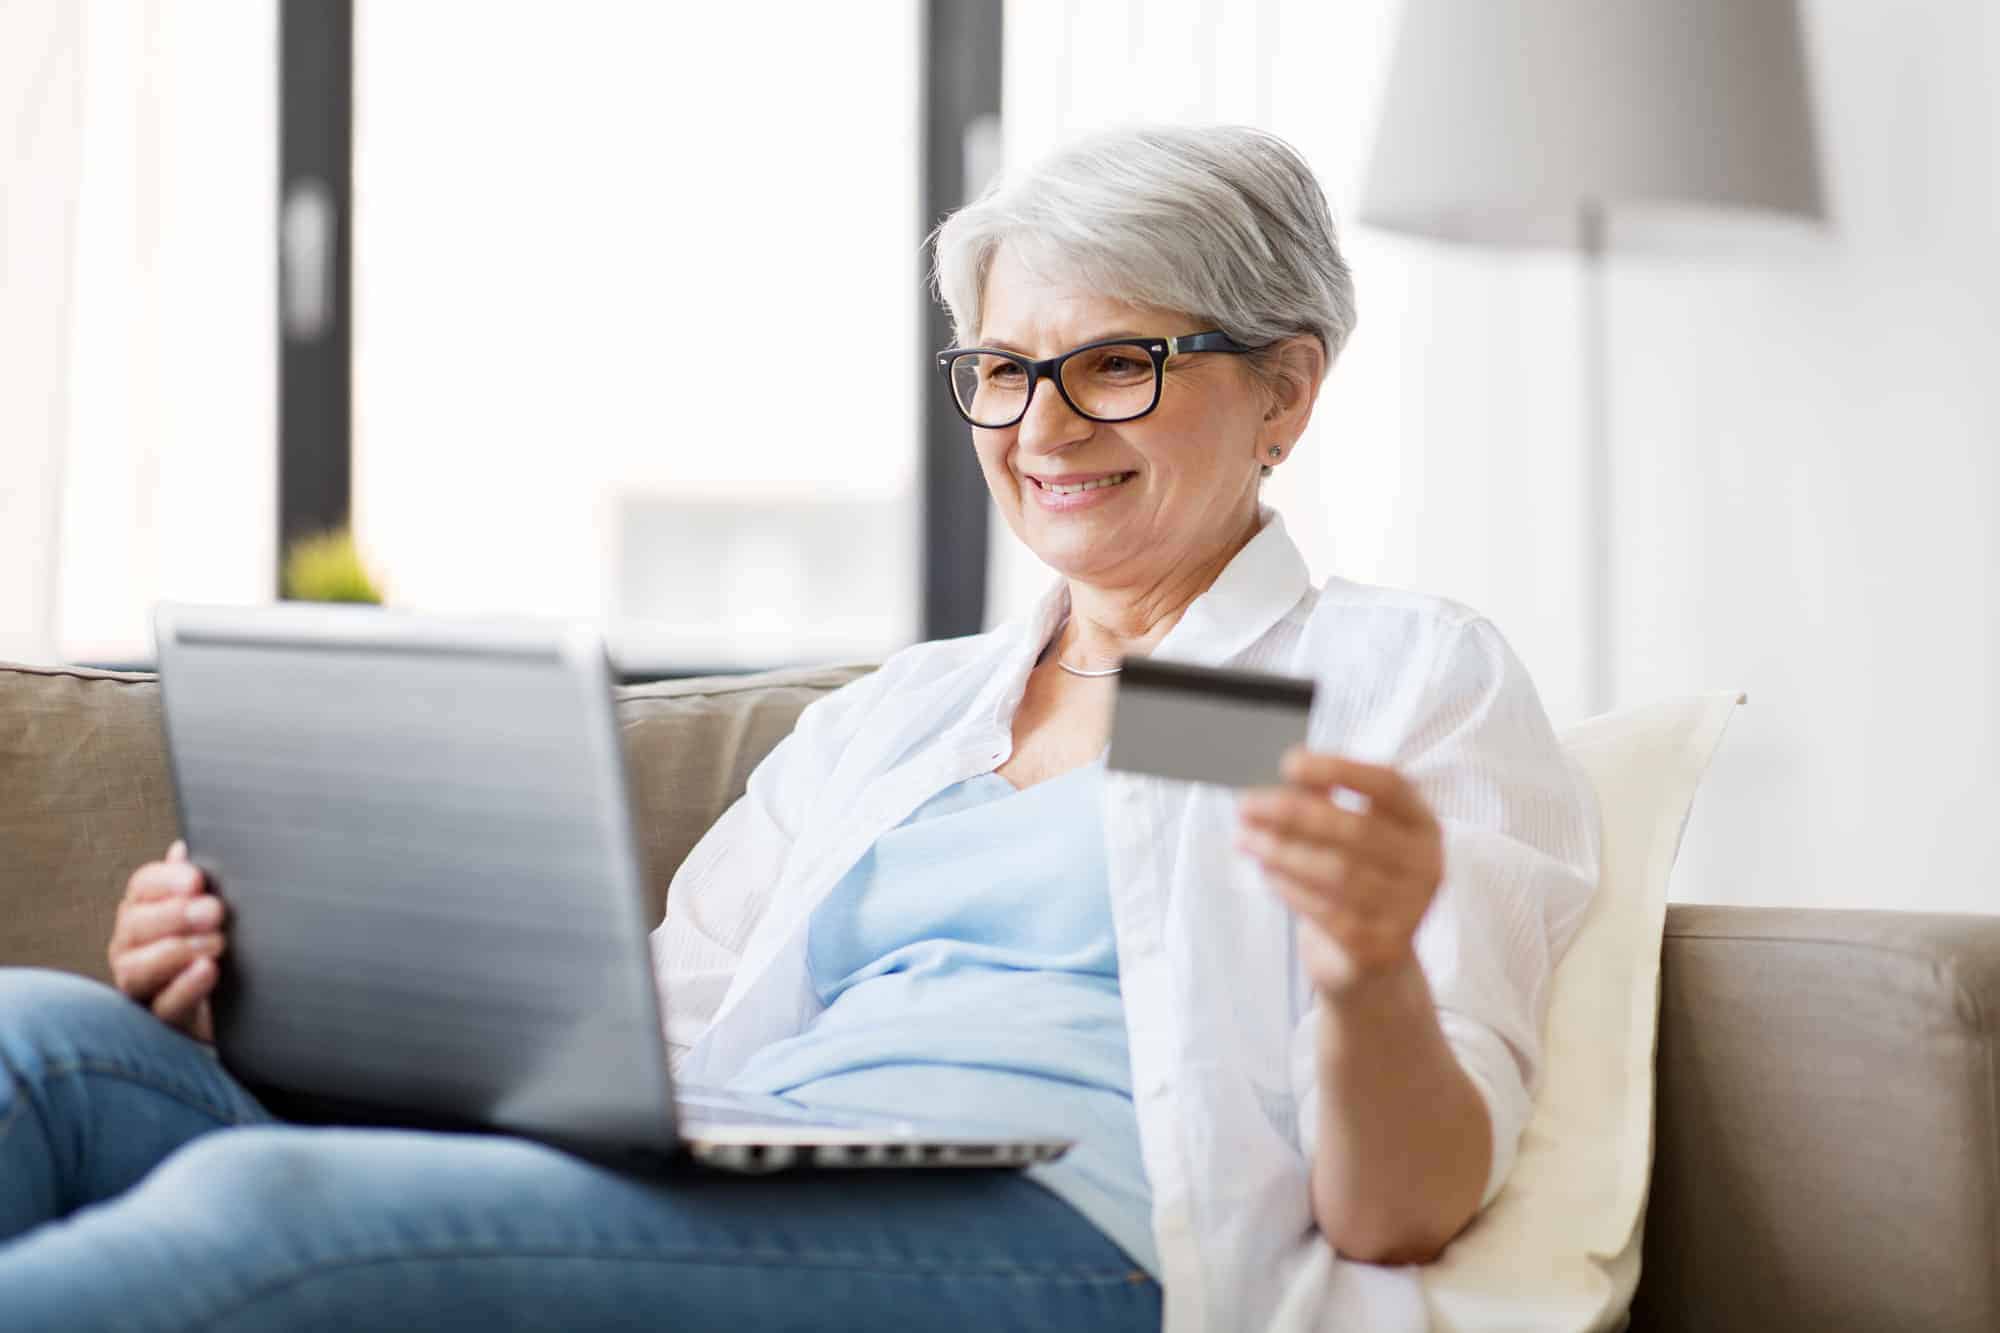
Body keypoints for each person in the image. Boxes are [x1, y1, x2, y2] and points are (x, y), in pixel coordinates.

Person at [0, 123, 1598, 1331]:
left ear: (1288, 392)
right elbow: (638, 1054)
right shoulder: (900, 716)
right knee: (44, 1047)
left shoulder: (1388, 682)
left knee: (262, 1207)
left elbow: (1400, 1214)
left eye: (1117, 365)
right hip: (746, 1170)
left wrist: (1373, 968)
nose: (1041, 429)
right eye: (1003, 368)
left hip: (1073, 1232)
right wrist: (266, 997)